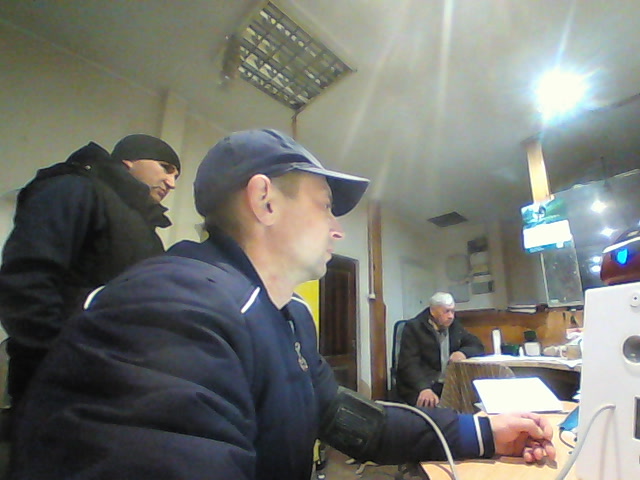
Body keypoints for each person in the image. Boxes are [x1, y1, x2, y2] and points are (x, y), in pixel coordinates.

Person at [8, 129, 555, 480]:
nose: (337, 230)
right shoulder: (171, 308)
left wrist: (485, 432)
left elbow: (346, 418)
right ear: (264, 200)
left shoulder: (289, 316)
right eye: (325, 206)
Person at [0, 134, 180, 405]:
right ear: (129, 160)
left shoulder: (147, 232)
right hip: (56, 385)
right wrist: (55, 357)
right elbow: (27, 278)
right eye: (165, 168)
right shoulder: (74, 188)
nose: (171, 183)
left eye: (176, 176)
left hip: (115, 388)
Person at [397, 291, 485, 407]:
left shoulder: (453, 326)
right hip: (421, 386)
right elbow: (408, 364)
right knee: (433, 408)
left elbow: (477, 345)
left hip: (448, 384)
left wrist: (463, 353)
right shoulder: (414, 328)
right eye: (446, 311)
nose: (451, 316)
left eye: (453, 311)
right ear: (433, 311)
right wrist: (423, 388)